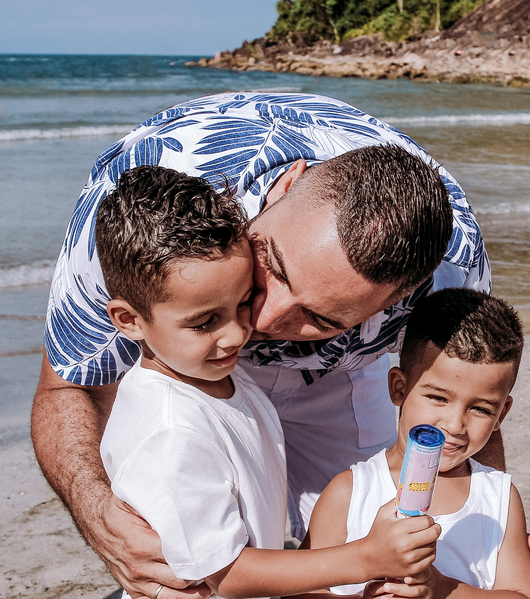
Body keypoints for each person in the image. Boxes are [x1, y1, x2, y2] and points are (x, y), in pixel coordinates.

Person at [31, 92, 494, 599]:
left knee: (387, 554)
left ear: (397, 302)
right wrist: (96, 510)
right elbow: (70, 384)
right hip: (183, 358)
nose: (261, 319)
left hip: (334, 375)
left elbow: (463, 397)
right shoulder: (142, 215)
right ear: (288, 184)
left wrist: (488, 524)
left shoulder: (454, 274)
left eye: (318, 317)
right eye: (271, 265)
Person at [96, 165, 439, 599]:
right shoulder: (171, 433)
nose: (240, 332)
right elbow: (228, 576)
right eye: (204, 322)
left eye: (242, 302)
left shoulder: (212, 377)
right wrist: (366, 557)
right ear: (129, 321)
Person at [304, 289, 530, 599]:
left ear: (501, 415)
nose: (455, 425)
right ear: (399, 388)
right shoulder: (350, 492)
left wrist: (445, 590)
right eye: (438, 398)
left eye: (481, 409)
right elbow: (300, 591)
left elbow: (524, 596)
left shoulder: (497, 496)